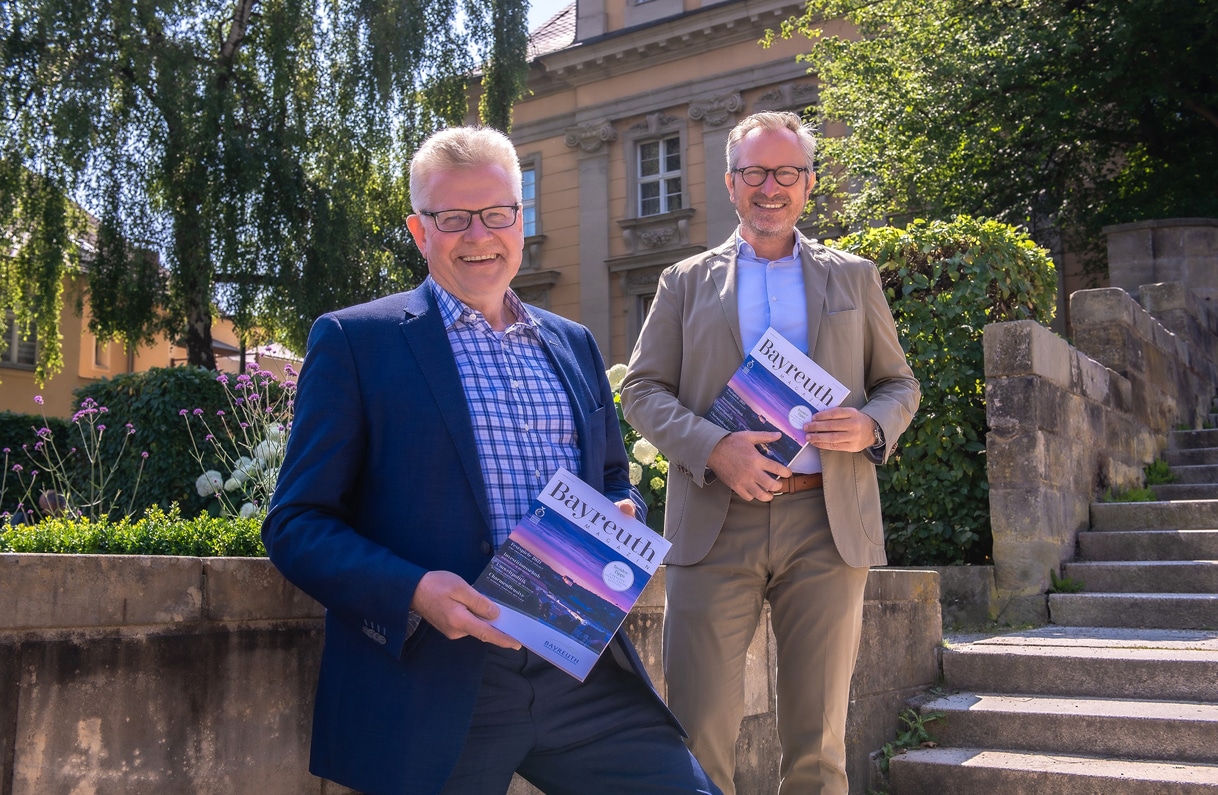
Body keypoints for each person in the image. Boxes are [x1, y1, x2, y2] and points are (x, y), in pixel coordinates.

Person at [263, 126, 720, 795]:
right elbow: (295, 522)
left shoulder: (574, 344)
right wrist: (415, 590)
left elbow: (614, 477)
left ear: (520, 219)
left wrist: (620, 513)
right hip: (437, 682)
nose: (479, 235)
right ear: (420, 231)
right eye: (452, 218)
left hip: (581, 673)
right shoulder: (356, 341)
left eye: (497, 213)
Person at [620, 111, 920, 795]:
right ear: (731, 183)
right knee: (697, 736)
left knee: (818, 745)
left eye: (786, 172)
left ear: (808, 184)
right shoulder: (684, 280)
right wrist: (712, 446)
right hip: (715, 522)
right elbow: (642, 389)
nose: (770, 187)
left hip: (825, 520)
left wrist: (872, 425)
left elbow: (899, 383)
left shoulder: (854, 276)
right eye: (754, 172)